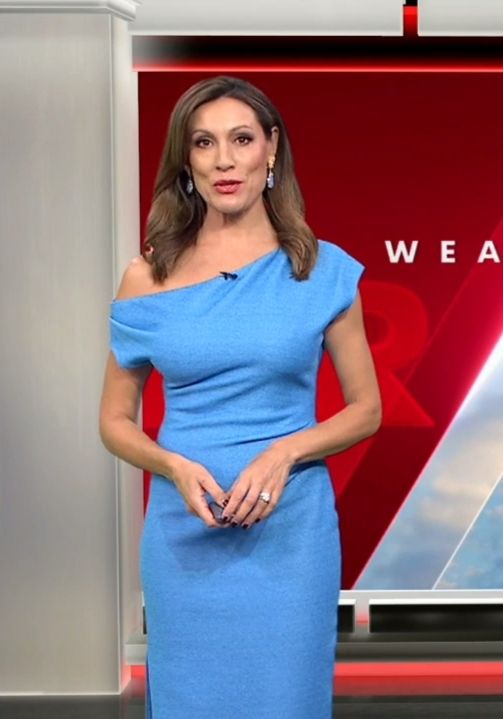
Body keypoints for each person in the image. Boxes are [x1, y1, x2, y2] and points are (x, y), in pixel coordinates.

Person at [99, 74, 381, 719]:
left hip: (290, 533)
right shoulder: (147, 277)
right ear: (186, 160)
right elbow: (114, 419)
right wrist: (172, 466)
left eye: (242, 139)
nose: (224, 160)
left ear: (271, 148)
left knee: (285, 699)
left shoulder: (321, 269)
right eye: (204, 143)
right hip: (184, 531)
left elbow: (366, 409)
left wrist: (284, 454)